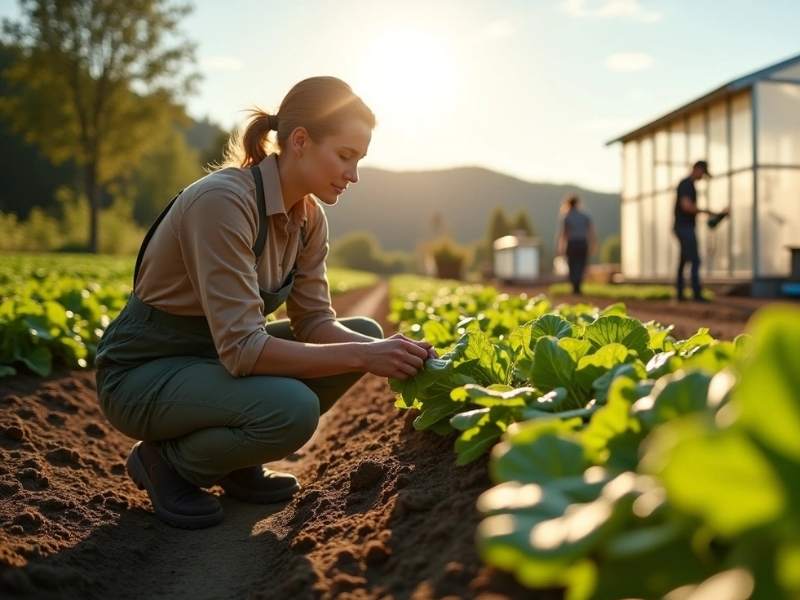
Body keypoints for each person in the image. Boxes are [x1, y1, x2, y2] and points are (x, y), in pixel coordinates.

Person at [95, 76, 436, 530]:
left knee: (366, 334)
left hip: (211, 361)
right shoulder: (223, 202)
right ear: (300, 141)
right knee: (293, 409)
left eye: (359, 160)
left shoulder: (309, 217)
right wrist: (363, 356)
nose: (353, 175)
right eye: (345, 155)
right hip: (143, 374)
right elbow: (242, 350)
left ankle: (236, 460)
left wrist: (384, 351)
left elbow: (314, 321)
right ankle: (168, 464)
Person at [674, 160, 727, 302]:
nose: (702, 177)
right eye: (702, 173)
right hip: (684, 227)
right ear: (697, 169)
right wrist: (706, 211)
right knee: (695, 260)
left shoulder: (689, 185)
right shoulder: (686, 184)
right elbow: (686, 206)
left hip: (683, 226)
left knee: (684, 260)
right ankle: (696, 294)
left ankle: (680, 294)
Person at [557, 194, 597, 295]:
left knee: (572, 265)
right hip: (583, 244)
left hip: (572, 244)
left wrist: (560, 247)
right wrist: (593, 244)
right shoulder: (585, 216)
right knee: (581, 265)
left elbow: (563, 234)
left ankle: (575, 286)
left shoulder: (567, 217)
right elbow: (591, 232)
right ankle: (578, 286)